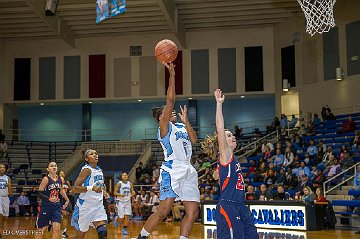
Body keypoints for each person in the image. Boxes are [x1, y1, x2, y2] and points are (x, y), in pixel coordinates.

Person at [136, 62, 199, 239]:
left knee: (193, 211)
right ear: (160, 118)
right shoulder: (165, 128)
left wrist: (186, 121)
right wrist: (172, 75)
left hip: (188, 168)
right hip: (173, 169)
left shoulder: (179, 126)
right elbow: (170, 100)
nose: (171, 112)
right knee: (164, 210)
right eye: (166, 112)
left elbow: (194, 139)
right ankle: (141, 236)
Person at [203, 89, 258, 238]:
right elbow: (220, 128)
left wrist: (216, 174)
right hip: (229, 206)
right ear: (221, 141)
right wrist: (219, 105)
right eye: (228, 136)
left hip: (241, 206)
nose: (232, 136)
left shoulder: (231, 158)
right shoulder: (225, 155)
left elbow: (218, 175)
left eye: (232, 134)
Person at [71, 149, 108, 239]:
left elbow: (101, 184)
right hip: (86, 206)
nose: (95, 155)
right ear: (87, 159)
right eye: (92, 154)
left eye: (96, 153)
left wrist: (104, 192)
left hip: (98, 205)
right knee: (81, 234)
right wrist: (91, 188)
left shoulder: (99, 169)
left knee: (103, 232)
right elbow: (75, 188)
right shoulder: (86, 170)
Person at [36, 162, 70, 239]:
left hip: (56, 206)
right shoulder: (45, 179)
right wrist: (49, 198)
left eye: (55, 166)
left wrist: (67, 199)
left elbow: (61, 190)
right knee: (41, 229)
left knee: (57, 229)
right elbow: (39, 193)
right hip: (46, 206)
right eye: (51, 166)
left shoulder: (60, 179)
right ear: (48, 169)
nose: (54, 167)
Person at [59, 171, 72, 238]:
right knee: (60, 215)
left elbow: (70, 191)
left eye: (63, 173)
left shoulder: (67, 182)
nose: (62, 174)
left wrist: (70, 189)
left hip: (65, 200)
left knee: (66, 215)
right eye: (60, 173)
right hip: (58, 200)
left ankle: (64, 231)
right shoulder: (56, 182)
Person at [0, 163, 12, 238]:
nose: (2, 168)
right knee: (0, 214)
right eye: (0, 167)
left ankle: (1, 229)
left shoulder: (7, 178)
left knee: (5, 217)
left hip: (5, 197)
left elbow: (10, 189)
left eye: (3, 167)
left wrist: (10, 191)